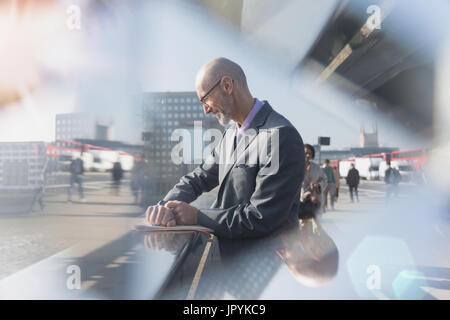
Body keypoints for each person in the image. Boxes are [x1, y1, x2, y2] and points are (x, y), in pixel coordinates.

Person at [145, 57, 305, 239]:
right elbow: (198, 178)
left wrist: (197, 216)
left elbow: (262, 217)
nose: (205, 110)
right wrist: (164, 206)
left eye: (205, 99)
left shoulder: (280, 136)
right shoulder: (230, 135)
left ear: (227, 85)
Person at [299, 144, 327, 219]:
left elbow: (324, 179)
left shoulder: (316, 167)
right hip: (301, 201)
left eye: (310, 153)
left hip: (316, 201)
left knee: (316, 226)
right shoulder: (296, 167)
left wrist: (318, 185)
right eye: (305, 153)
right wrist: (308, 195)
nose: (307, 155)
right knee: (303, 225)